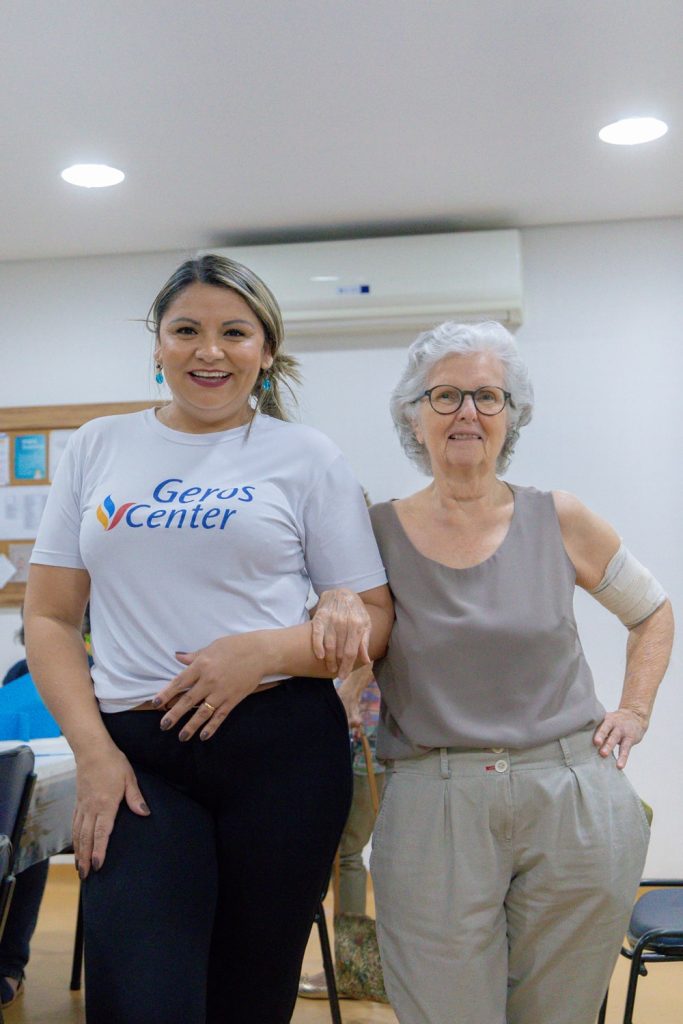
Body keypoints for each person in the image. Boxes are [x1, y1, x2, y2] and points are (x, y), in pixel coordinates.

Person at [23, 254, 393, 1024]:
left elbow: (372, 619)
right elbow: (52, 617)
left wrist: (261, 652)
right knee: (142, 994)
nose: (209, 350)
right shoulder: (99, 446)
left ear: (265, 350)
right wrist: (93, 753)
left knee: (248, 998)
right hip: (135, 755)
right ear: (157, 345)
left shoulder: (306, 457)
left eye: (234, 331)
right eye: (186, 329)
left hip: (282, 750)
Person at [367, 321, 674, 1024]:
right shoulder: (375, 530)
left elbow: (652, 613)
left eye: (487, 396)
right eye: (443, 395)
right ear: (413, 415)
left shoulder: (557, 517)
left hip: (570, 795)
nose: (467, 412)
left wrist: (633, 710)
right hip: (432, 797)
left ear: (513, 414)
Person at [0, 606, 91, 1009]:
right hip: (34, 789)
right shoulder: (21, 672)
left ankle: (9, 964)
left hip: (81, 798)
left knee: (26, 834)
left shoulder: (103, 668)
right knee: (17, 823)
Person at [299, 662, 385, 1000]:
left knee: (346, 855)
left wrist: (347, 694)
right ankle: (353, 969)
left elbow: (374, 652)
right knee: (347, 855)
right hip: (363, 740)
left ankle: (350, 970)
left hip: (363, 739)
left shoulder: (368, 613)